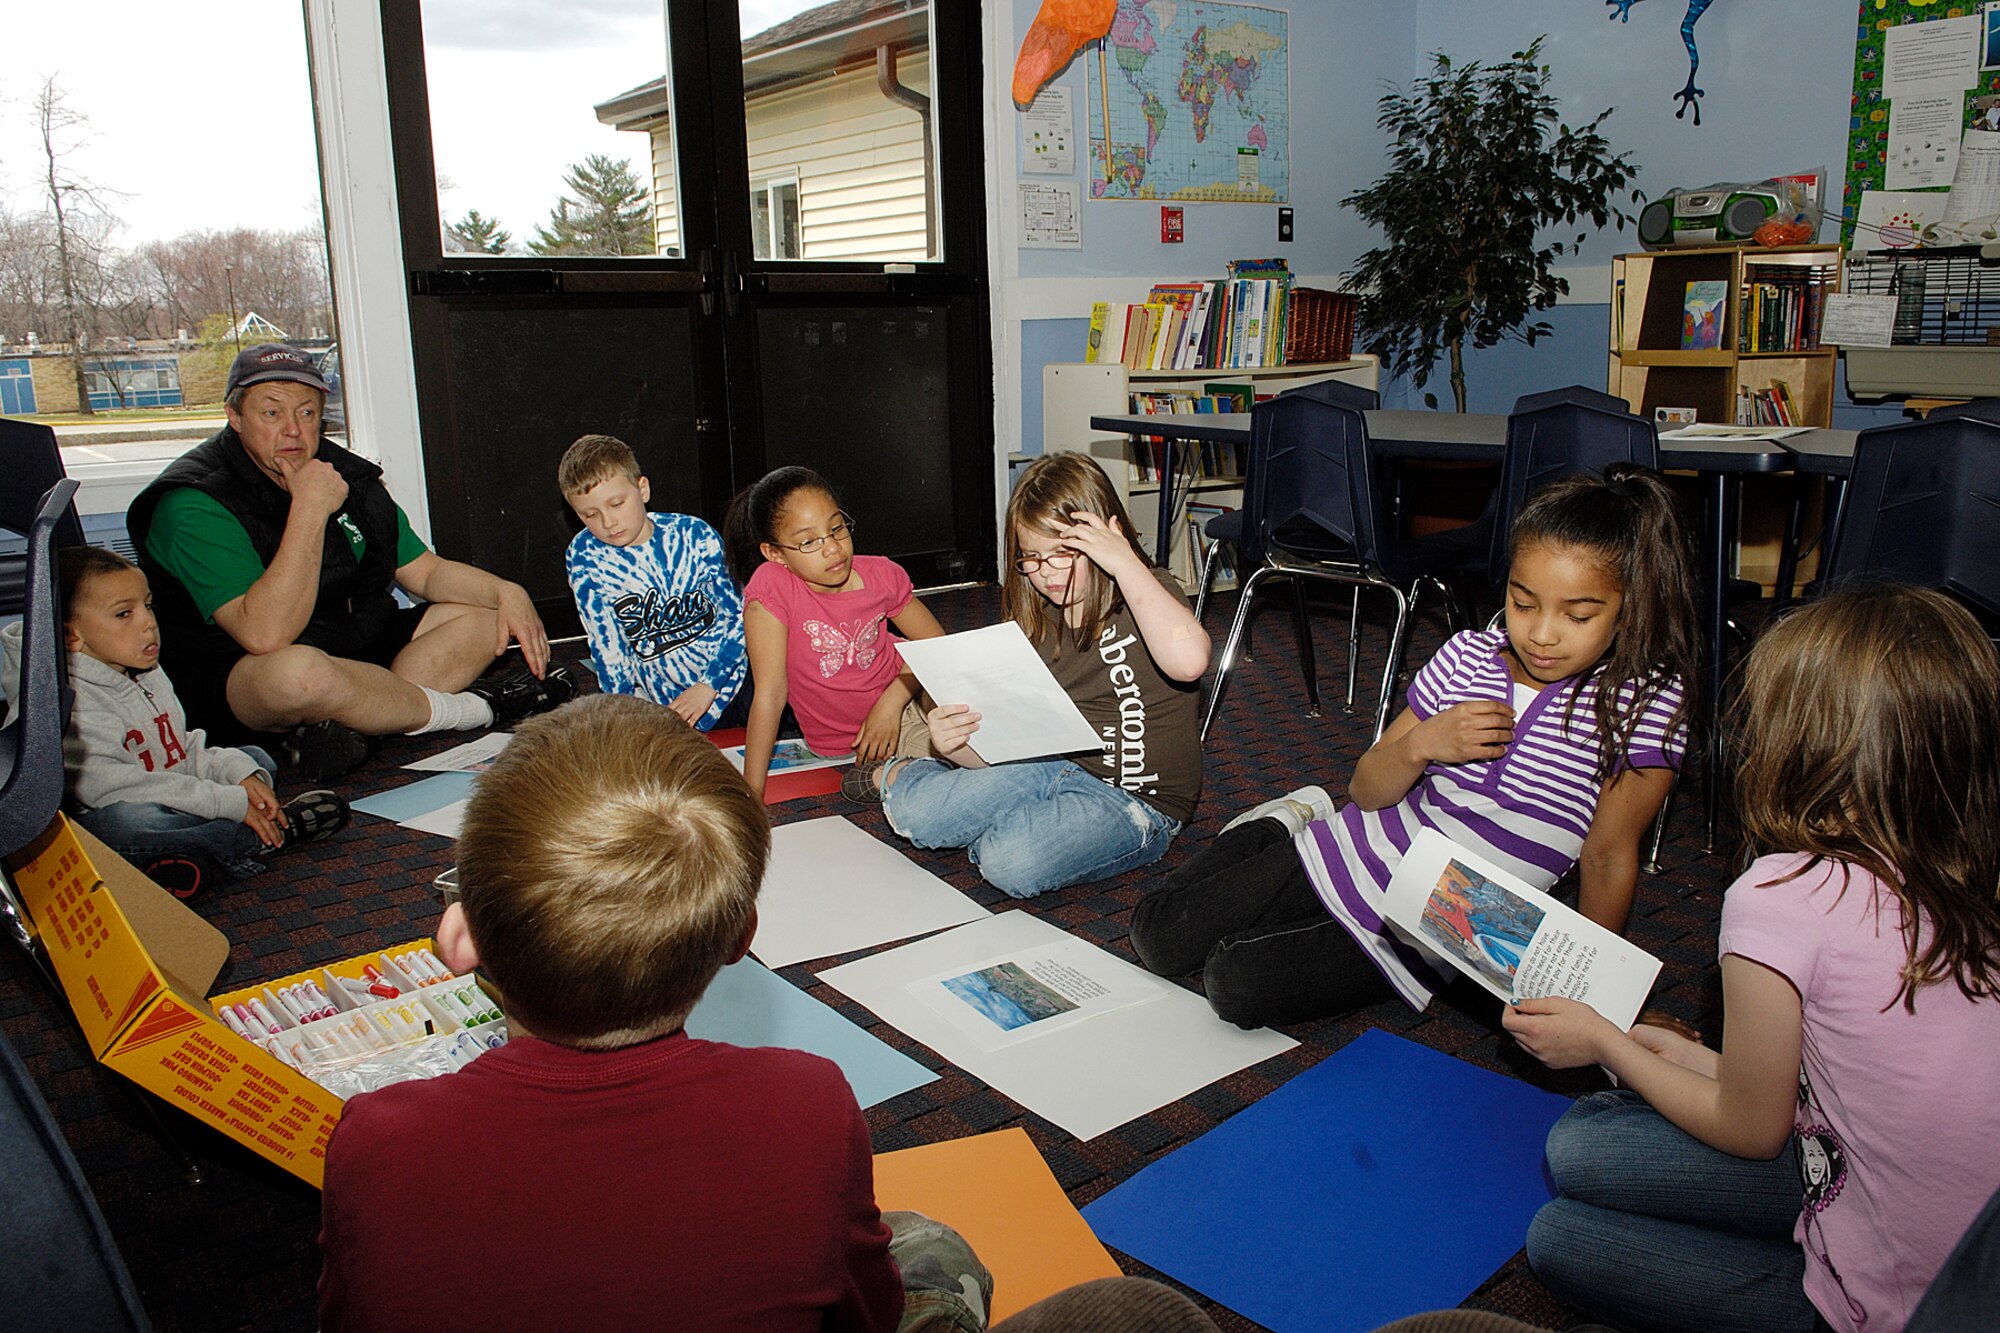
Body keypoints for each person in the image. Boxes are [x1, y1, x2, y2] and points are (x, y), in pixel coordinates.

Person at [318, 694, 991, 1332]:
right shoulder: (807, 1102)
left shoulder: (375, 1141)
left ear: (461, 938)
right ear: (741, 937)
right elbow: (866, 1316)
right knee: (939, 1249)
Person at [1506, 585, 2000, 1333]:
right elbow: (1850, 1085)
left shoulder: (1781, 894)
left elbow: (1752, 1129)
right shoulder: (1969, 868)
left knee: (1560, 1233)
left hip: (1886, 1307)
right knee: (1583, 1143)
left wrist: (1604, 1040)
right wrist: (1688, 1058)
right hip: (1922, 1220)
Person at [1129, 464, 1698, 1026]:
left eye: (1578, 615)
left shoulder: (1644, 701)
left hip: (1438, 927)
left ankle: (1286, 866)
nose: (1543, 633)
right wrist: (1422, 743)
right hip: (1355, 844)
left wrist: (1606, 1005)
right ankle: (1282, 823)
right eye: (1524, 604)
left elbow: (1608, 856)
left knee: (1235, 983)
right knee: (1158, 937)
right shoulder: (1466, 656)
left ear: (1630, 608)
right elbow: (1366, 789)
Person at [127, 343, 571, 780]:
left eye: (307, 412)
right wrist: (309, 509)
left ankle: (362, 721)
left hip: (354, 648)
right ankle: (474, 709)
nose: (293, 431)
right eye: (271, 412)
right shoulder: (193, 502)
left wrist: (507, 592)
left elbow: (425, 572)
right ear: (234, 416)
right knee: (298, 674)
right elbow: (265, 634)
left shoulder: (347, 473)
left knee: (487, 618)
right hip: (246, 673)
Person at [858, 453, 1207, 898]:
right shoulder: (1036, 622)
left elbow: (1189, 662)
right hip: (1054, 764)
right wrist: (957, 745)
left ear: (1106, 538)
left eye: (1063, 554)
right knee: (919, 817)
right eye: (1032, 558)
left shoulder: (1149, 592)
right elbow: (1007, 746)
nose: (1047, 574)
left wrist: (1127, 565)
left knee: (1011, 862)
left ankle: (999, 819)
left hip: (1138, 801)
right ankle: (903, 773)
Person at [0, 547, 348, 899]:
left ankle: (179, 859)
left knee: (254, 758)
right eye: (124, 614)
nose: (148, 623)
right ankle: (254, 837)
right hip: (107, 817)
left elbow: (181, 750)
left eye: (147, 606)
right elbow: (112, 791)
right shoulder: (66, 701)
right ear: (70, 636)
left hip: (172, 792)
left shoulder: (140, 669)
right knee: (126, 825)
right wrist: (225, 802)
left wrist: (237, 777)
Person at [723, 467, 946, 801]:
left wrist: (893, 701)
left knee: (971, 743)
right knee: (951, 769)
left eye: (837, 529)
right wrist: (752, 792)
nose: (832, 549)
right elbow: (769, 693)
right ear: (775, 554)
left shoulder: (881, 575)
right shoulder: (772, 588)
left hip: (911, 694)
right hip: (852, 743)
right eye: (808, 541)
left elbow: (938, 646)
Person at [559, 433, 747, 729]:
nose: (608, 523)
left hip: (729, 679)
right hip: (663, 703)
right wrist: (622, 714)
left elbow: (741, 615)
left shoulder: (694, 535)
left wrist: (708, 686)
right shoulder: (584, 556)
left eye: (617, 504)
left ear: (642, 489)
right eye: (590, 515)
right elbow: (607, 646)